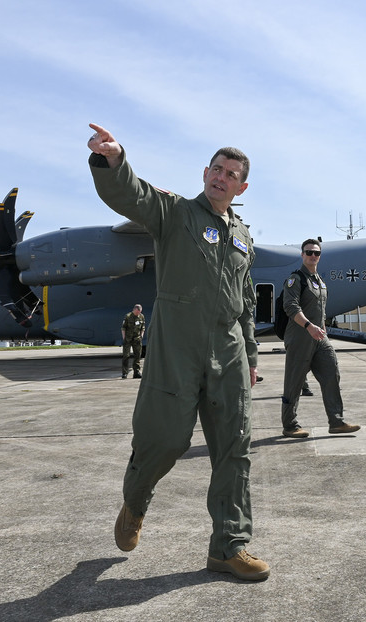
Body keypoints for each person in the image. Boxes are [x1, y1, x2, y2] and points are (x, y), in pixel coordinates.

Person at [86, 123, 269, 581]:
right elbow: (133, 196)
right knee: (165, 438)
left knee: (235, 447)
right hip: (177, 345)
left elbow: (246, 300)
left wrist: (250, 354)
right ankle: (136, 500)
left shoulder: (243, 236)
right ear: (205, 172)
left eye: (231, 174)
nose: (221, 178)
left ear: (241, 186)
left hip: (229, 351)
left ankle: (229, 546)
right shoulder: (175, 213)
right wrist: (113, 160)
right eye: (217, 169)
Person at [280, 239, 361, 438]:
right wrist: (308, 326)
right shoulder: (295, 279)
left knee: (332, 372)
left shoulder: (319, 280)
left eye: (316, 253)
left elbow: (320, 309)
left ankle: (336, 422)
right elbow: (290, 307)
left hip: (318, 337)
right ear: (302, 255)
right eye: (309, 252)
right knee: (294, 383)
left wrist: (321, 327)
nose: (313, 256)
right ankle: (289, 425)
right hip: (300, 337)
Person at [120, 304, 145, 379]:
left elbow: (143, 327)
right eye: (138, 312)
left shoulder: (141, 316)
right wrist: (124, 338)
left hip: (137, 339)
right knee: (126, 356)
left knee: (137, 355)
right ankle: (125, 373)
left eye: (140, 312)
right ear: (134, 310)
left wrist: (141, 336)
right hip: (128, 339)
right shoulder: (128, 316)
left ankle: (136, 372)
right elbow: (123, 328)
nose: (138, 314)